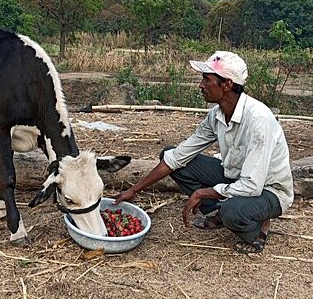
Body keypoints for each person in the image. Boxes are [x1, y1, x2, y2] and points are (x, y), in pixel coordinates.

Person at [114, 51, 294, 254]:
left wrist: (203, 192)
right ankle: (220, 210)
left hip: (268, 190)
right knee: (171, 155)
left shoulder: (258, 120)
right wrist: (135, 190)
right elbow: (178, 157)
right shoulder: (216, 115)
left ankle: (259, 228)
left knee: (232, 211)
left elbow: (252, 185)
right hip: (235, 178)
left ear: (226, 84)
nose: (200, 85)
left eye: (206, 79)